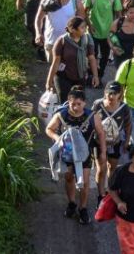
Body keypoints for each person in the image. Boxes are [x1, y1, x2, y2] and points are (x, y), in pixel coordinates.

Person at [45, 85, 106, 225]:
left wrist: (102, 152)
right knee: (69, 178)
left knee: (84, 183)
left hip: (85, 155)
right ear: (68, 102)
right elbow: (49, 129)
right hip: (67, 154)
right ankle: (72, 203)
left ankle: (83, 208)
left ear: (84, 103)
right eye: (73, 104)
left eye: (79, 104)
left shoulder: (92, 116)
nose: (76, 107)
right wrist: (57, 138)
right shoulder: (61, 114)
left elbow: (101, 133)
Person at [93, 81, 132, 200]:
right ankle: (101, 195)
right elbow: (90, 120)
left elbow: (128, 125)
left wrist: (126, 141)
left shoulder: (124, 108)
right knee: (101, 169)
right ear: (105, 93)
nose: (112, 96)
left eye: (115, 93)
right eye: (109, 93)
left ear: (120, 94)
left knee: (112, 168)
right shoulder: (98, 104)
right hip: (98, 142)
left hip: (115, 142)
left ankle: (109, 191)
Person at [45, 16, 99, 100]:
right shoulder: (61, 41)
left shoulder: (87, 39)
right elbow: (55, 63)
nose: (85, 29)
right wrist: (49, 81)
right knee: (65, 102)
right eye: (82, 27)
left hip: (80, 77)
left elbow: (92, 58)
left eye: (85, 27)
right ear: (73, 30)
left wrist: (95, 76)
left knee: (78, 102)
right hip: (63, 77)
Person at [82, 0, 121, 79]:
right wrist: (89, 26)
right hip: (93, 32)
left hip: (107, 33)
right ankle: (91, 76)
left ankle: (100, 75)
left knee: (105, 56)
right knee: (92, 55)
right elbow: (83, 12)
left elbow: (119, 15)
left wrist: (116, 29)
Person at [36, 0, 80, 64]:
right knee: (54, 69)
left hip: (69, 42)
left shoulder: (77, 2)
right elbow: (38, 19)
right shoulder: (47, 1)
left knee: (68, 70)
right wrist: (38, 33)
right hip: (51, 41)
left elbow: (81, 22)